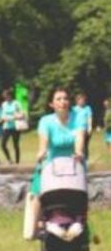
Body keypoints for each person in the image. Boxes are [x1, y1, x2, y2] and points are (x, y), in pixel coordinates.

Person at [25, 87, 86, 240]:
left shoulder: (78, 118)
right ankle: (37, 226)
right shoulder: (46, 121)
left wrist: (79, 152)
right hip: (51, 165)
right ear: (52, 104)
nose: (63, 102)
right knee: (38, 190)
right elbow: (44, 142)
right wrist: (42, 152)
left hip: (73, 164)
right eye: (58, 99)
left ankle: (79, 221)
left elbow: (80, 137)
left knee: (80, 192)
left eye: (65, 98)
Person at [0, 88, 24, 164]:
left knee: (15, 145)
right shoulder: (4, 104)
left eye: (6, 96)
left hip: (15, 126)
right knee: (3, 144)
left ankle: (17, 162)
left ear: (10, 96)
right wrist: (2, 119)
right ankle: (9, 159)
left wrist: (14, 117)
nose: (5, 98)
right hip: (6, 127)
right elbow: (2, 115)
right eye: (4, 97)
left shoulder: (16, 103)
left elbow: (22, 114)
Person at [72, 92, 93, 161]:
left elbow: (89, 118)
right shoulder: (73, 109)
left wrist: (90, 127)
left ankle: (85, 160)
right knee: (77, 145)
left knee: (85, 146)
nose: (81, 101)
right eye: (80, 100)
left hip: (85, 129)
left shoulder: (87, 108)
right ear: (77, 101)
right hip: (76, 130)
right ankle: (77, 159)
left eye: (83, 100)